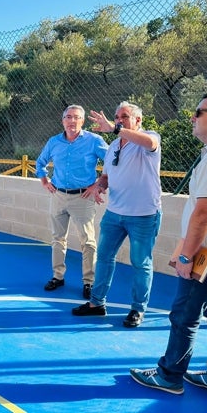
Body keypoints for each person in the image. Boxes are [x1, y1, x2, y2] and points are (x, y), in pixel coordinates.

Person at [130, 91, 207, 399]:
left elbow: (205, 212)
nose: (193, 117)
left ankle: (170, 375)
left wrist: (187, 256)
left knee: (185, 314)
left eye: (199, 112)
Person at [71, 101, 162, 327]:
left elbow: (150, 142)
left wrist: (115, 127)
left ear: (138, 120)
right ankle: (96, 304)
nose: (119, 120)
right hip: (114, 214)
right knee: (103, 257)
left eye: (124, 116)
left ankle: (137, 310)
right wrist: (99, 186)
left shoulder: (149, 138)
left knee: (141, 263)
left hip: (143, 214)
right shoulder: (113, 147)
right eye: (117, 116)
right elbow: (106, 176)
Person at [36, 104, 108, 299]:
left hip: (82, 198)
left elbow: (111, 162)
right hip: (58, 195)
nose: (72, 121)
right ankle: (57, 277)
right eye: (68, 117)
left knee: (88, 241)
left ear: (82, 121)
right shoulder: (54, 142)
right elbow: (40, 162)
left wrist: (98, 185)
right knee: (58, 239)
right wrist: (44, 180)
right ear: (63, 121)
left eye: (76, 117)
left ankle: (89, 282)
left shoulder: (94, 141)